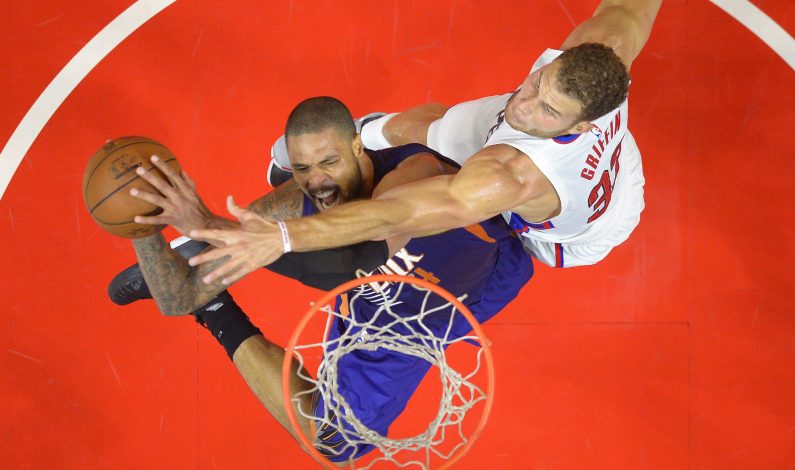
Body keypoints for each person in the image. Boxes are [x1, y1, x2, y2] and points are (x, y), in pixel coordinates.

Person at [125, 97, 533, 462]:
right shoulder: (299, 200)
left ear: (358, 148)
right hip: (378, 303)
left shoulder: (415, 173)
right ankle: (215, 303)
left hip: (457, 288)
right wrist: (140, 225)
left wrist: (220, 229)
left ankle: (217, 288)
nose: (316, 179)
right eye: (302, 168)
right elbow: (175, 299)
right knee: (336, 439)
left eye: (329, 162)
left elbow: (353, 260)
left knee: (333, 440)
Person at [187, 0, 662, 284]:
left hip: (576, 234)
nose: (525, 101)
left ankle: (344, 154)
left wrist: (282, 238)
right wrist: (541, 104)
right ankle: (360, 133)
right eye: (539, 80)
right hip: (578, 152)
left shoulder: (506, 175)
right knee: (430, 125)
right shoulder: (601, 53)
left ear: (579, 126)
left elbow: (396, 213)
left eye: (547, 108)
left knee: (410, 188)